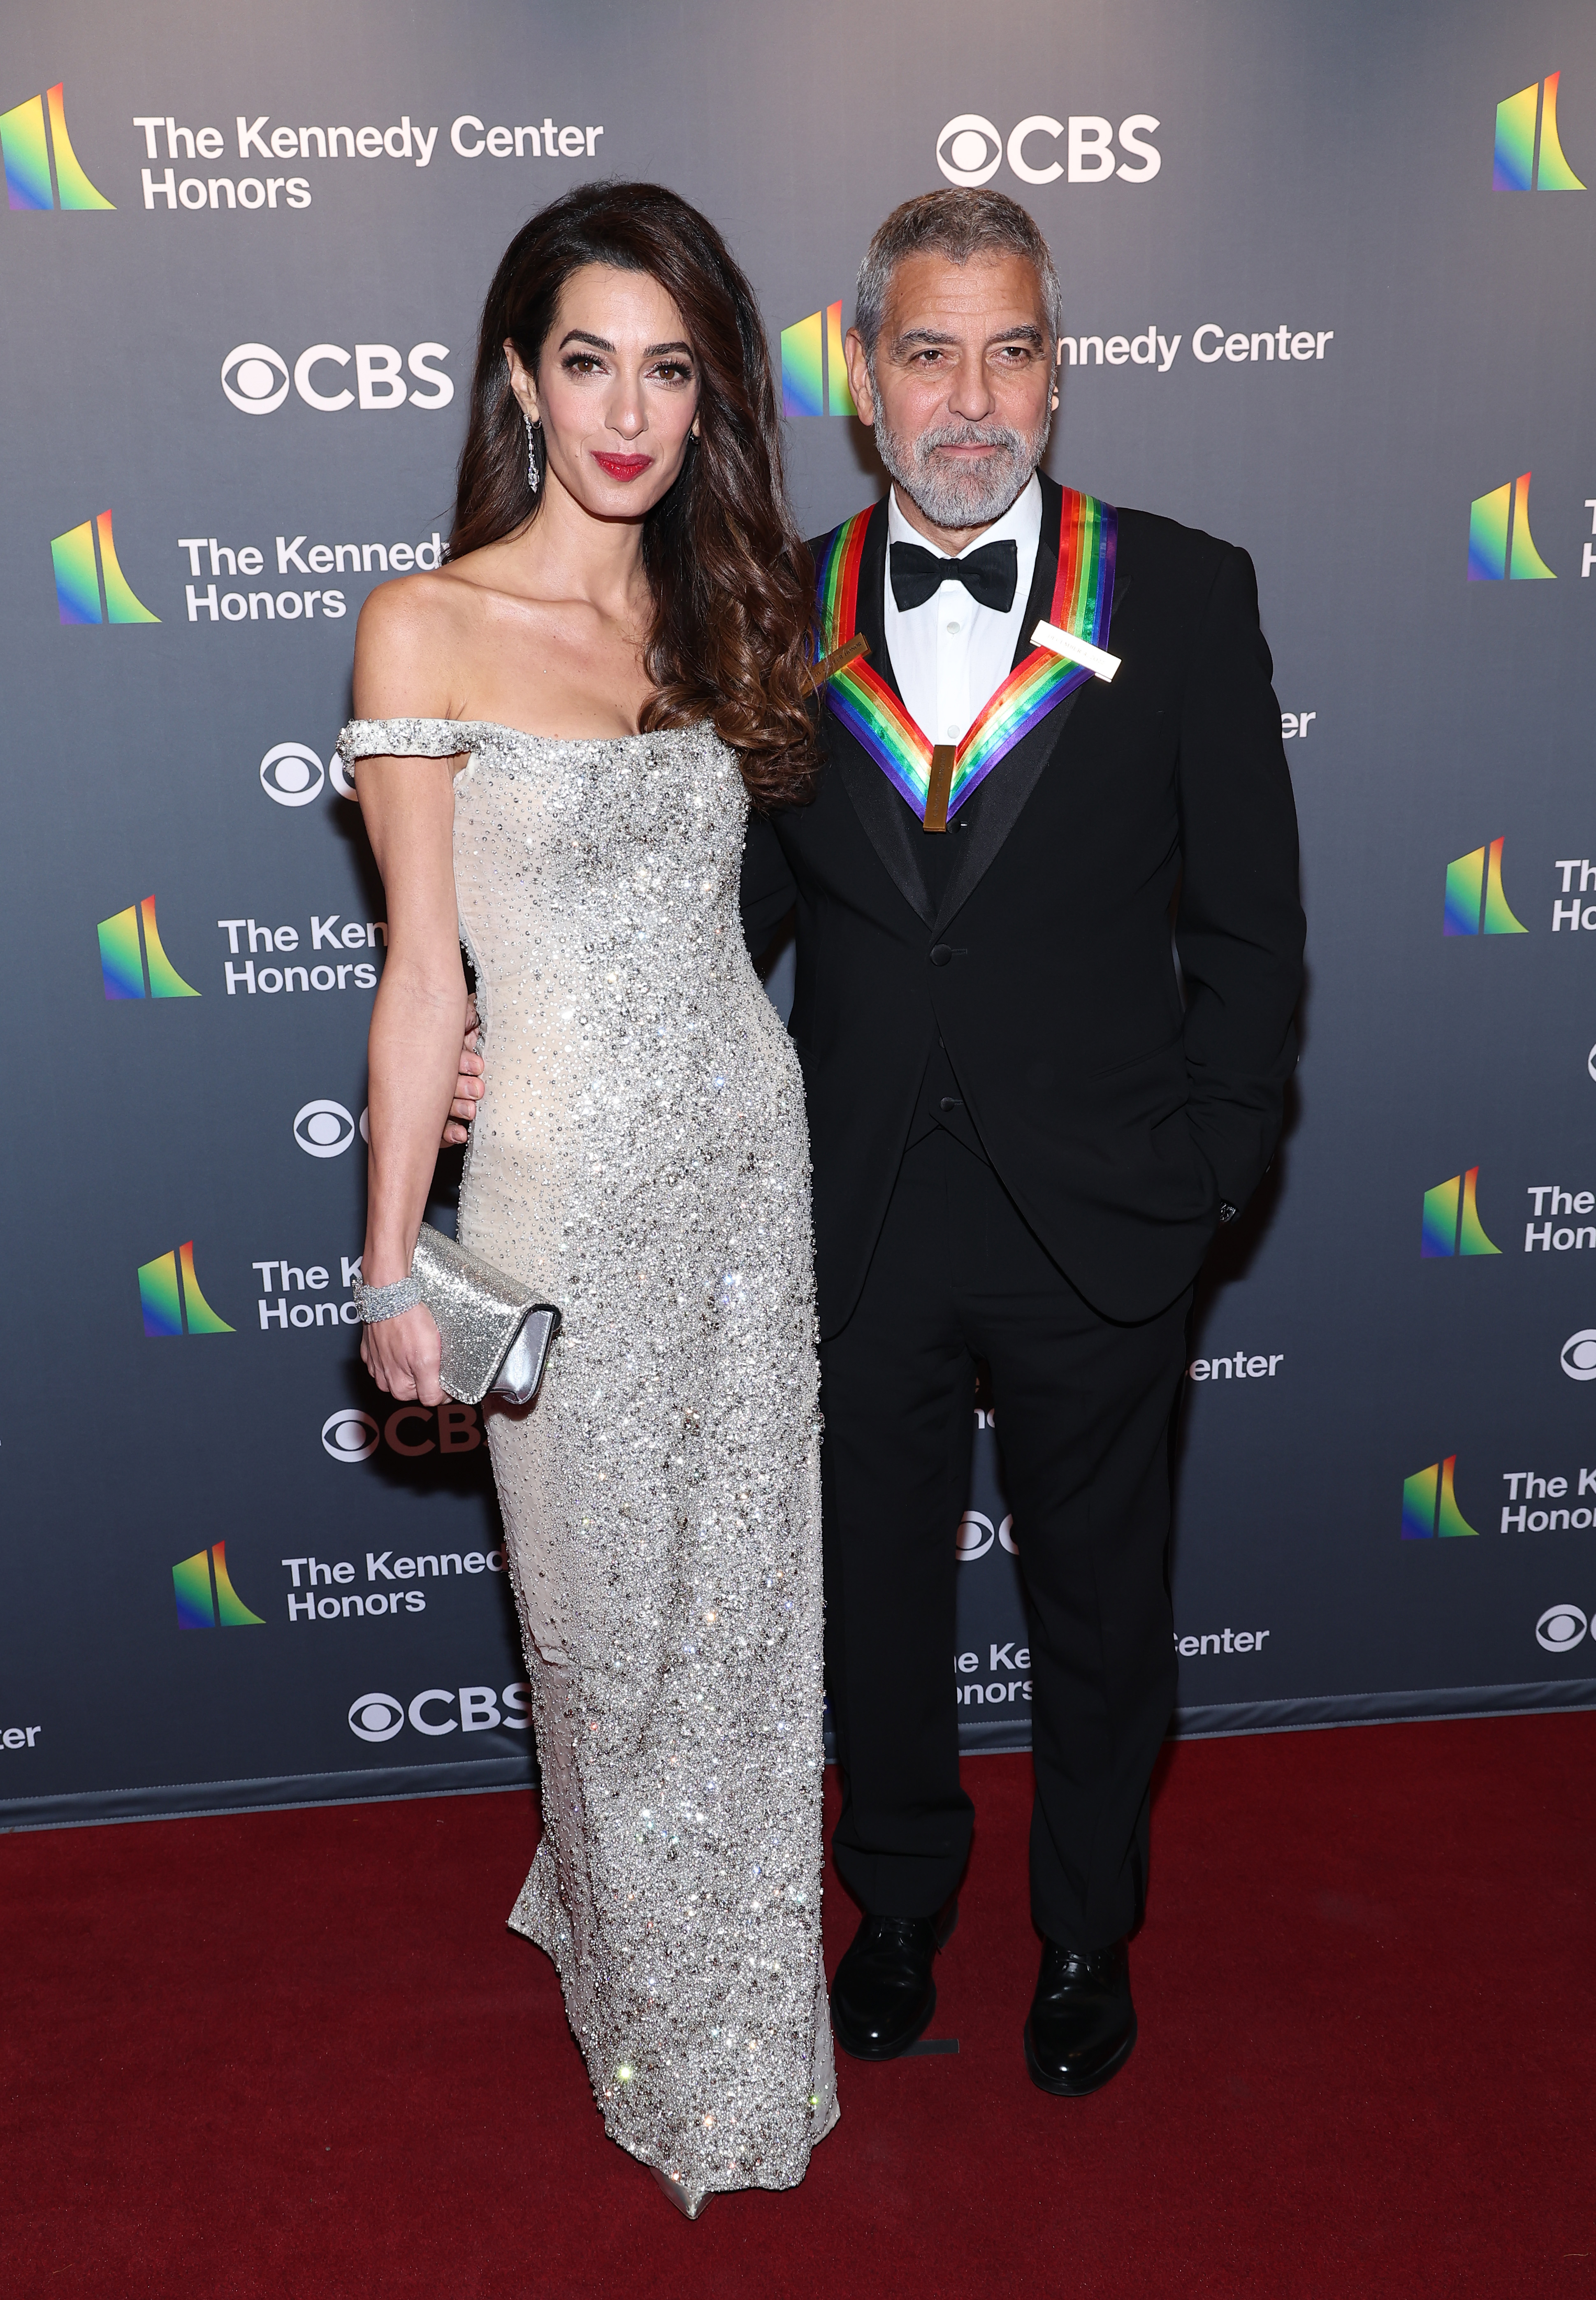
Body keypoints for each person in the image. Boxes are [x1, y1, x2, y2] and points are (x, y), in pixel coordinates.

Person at [453, 187, 1305, 2098]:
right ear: (862, 377)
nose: (973, 396)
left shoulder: (1179, 591)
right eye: (930, 350)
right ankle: (898, 1901)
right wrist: (511, 1037)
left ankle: (1087, 1927)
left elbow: (1252, 933)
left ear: (1059, 375)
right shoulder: (775, 612)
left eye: (1012, 350)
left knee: (1100, 1606)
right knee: (876, 1604)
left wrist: (1205, 1176)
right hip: (844, 1209)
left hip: (1106, 1212)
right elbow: (696, 903)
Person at [341, 182, 837, 2218]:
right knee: (610, 1636)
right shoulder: (426, 622)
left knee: (746, 1622)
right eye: (586, 360)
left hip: (746, 1170)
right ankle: (659, 2020)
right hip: (558, 1189)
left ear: (704, 392)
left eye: (669, 367)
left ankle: (731, 1996)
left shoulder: (725, 608)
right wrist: (389, 1259)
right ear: (521, 382)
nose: (626, 410)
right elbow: (421, 976)